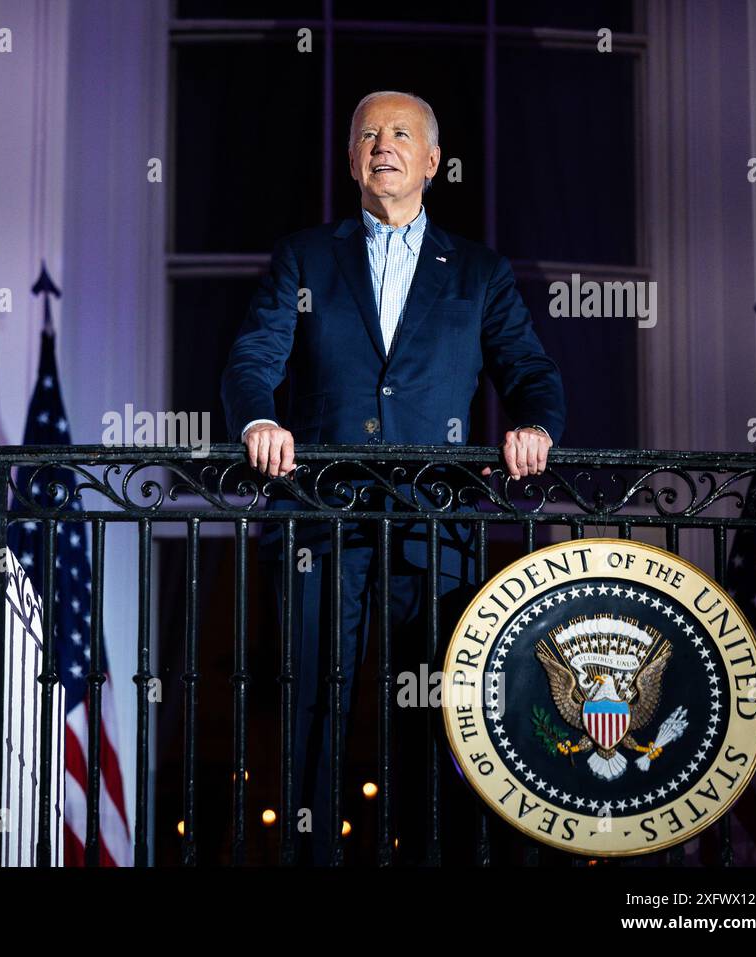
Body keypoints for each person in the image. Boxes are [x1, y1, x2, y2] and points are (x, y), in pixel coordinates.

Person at [220, 90, 567, 865]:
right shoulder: (305, 257)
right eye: (369, 134)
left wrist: (535, 426)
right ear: (351, 160)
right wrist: (258, 422)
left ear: (432, 162)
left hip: (434, 530)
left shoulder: (478, 271)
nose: (384, 144)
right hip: (322, 524)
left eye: (401, 133)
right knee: (313, 709)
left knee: (433, 715)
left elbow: (531, 371)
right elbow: (252, 360)